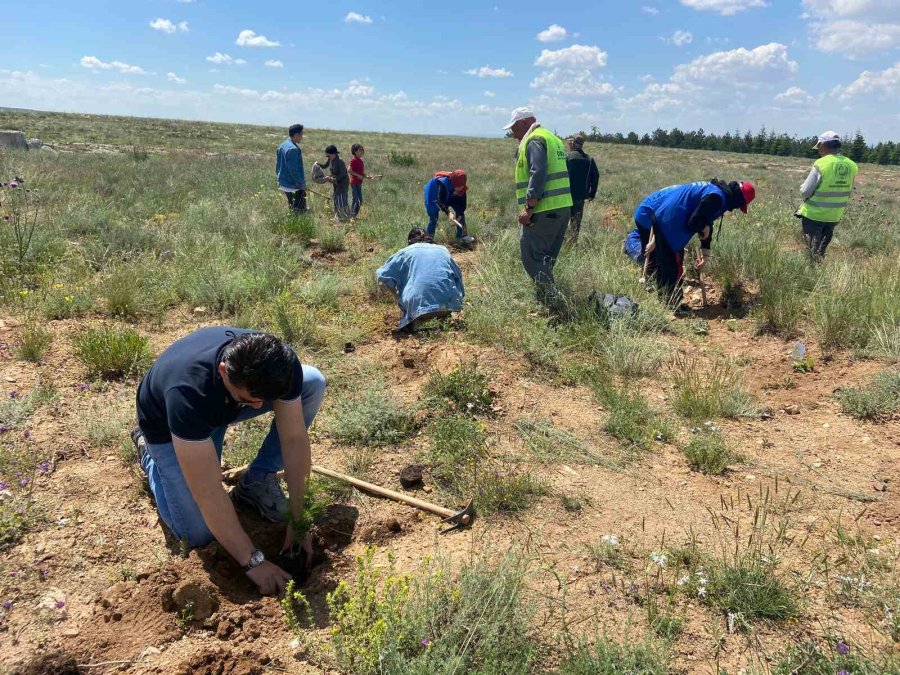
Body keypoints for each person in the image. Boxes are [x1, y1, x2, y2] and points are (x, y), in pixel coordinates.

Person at [132, 327, 327, 596]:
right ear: (223, 370)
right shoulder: (187, 394)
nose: (258, 408)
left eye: (263, 400)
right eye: (250, 399)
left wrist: (299, 517)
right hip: (168, 425)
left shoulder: (280, 362)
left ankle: (257, 481)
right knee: (196, 533)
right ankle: (149, 455)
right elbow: (209, 492)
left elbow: (293, 440)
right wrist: (252, 562)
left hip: (219, 405)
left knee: (312, 381)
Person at [627, 179, 755, 310]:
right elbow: (695, 222)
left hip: (664, 219)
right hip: (669, 225)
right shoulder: (717, 198)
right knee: (673, 268)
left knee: (666, 264)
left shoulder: (715, 192)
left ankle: (663, 300)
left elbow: (705, 219)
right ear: (738, 199)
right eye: (739, 205)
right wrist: (703, 227)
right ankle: (671, 306)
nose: (734, 210)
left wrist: (706, 250)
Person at [503, 107, 572, 311]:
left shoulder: (534, 140)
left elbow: (538, 173)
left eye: (514, 127)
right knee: (546, 258)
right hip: (561, 209)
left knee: (531, 256)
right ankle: (546, 301)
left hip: (543, 210)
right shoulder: (553, 139)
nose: (513, 133)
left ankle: (555, 302)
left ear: (525, 123)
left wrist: (529, 208)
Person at [376, 228, 465, 332]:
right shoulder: (443, 250)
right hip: (448, 306)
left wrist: (396, 295)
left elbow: (381, 276)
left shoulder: (406, 252)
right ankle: (442, 318)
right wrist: (458, 298)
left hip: (418, 308)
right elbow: (458, 276)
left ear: (410, 241)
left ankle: (413, 318)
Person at [796, 130, 859, 261]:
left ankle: (811, 276)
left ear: (824, 146)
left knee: (812, 252)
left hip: (814, 215)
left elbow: (805, 191)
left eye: (819, 147)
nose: (819, 151)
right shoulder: (852, 165)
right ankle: (819, 272)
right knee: (820, 251)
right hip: (834, 216)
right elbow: (848, 190)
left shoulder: (821, 163)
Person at [423, 170, 474, 245]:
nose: (460, 188)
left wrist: (459, 216)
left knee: (461, 213)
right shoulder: (444, 183)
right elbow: (440, 202)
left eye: (461, 186)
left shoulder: (461, 186)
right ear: (453, 183)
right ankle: (428, 241)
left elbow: (462, 204)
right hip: (433, 194)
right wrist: (448, 213)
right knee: (433, 217)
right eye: (458, 186)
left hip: (449, 194)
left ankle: (462, 237)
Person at [565, 135, 599, 240]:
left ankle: (563, 243)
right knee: (576, 223)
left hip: (565, 196)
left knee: (563, 222)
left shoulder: (568, 157)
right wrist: (591, 194)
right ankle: (573, 244)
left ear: (574, 143)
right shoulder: (589, 159)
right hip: (580, 196)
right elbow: (596, 175)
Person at [276, 124, 307, 213]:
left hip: (284, 183)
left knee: (292, 208)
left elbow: (278, 166)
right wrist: (300, 183)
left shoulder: (282, 146)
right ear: (296, 135)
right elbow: (293, 170)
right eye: (301, 134)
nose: (302, 137)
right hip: (293, 185)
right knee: (300, 212)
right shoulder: (292, 149)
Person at [320, 144, 350, 221]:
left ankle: (344, 216)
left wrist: (332, 178)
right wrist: (318, 165)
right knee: (336, 197)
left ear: (334, 154)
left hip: (342, 183)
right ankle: (338, 216)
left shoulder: (340, 161)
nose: (328, 157)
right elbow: (324, 166)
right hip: (336, 182)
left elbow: (343, 174)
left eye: (328, 156)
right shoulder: (330, 159)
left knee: (341, 197)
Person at [348, 143, 376, 218]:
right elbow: (349, 170)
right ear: (355, 151)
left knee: (360, 200)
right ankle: (352, 216)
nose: (362, 151)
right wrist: (358, 176)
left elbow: (361, 173)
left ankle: (353, 215)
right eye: (360, 150)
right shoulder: (353, 160)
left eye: (362, 150)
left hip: (359, 183)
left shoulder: (360, 161)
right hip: (354, 182)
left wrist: (367, 176)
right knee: (356, 200)